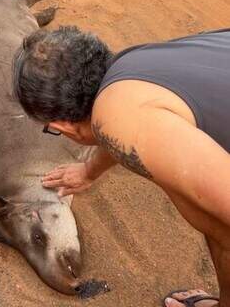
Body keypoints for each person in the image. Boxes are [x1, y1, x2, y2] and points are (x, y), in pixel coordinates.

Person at [14, 26, 230, 307]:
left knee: (214, 221)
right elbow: (121, 128)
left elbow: (119, 125)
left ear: (61, 126)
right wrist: (90, 170)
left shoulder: (120, 118)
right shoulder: (136, 63)